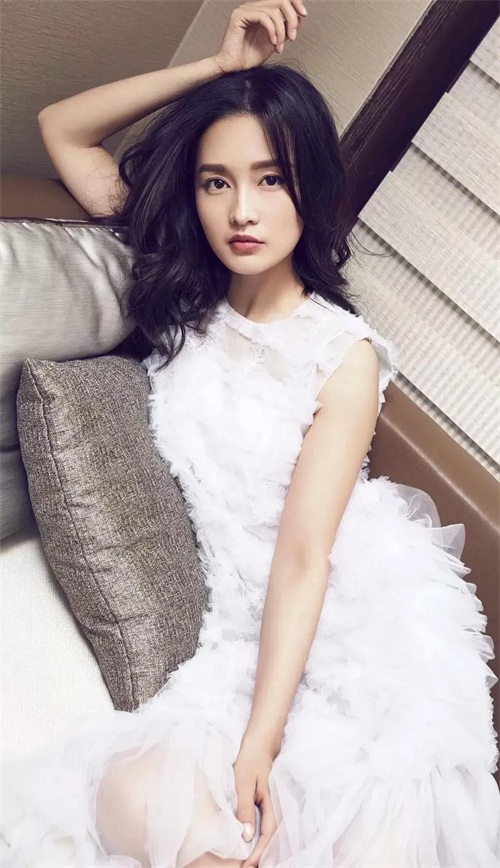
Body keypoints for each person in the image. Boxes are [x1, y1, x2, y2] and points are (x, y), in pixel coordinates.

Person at [2, 2, 499, 866]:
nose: (242, 210)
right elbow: (62, 129)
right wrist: (216, 69)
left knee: (352, 823)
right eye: (216, 182)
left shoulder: (342, 354)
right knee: (131, 799)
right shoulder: (181, 294)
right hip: (237, 625)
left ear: (312, 189)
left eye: (271, 180)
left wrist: (260, 741)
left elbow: (305, 557)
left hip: (351, 617)